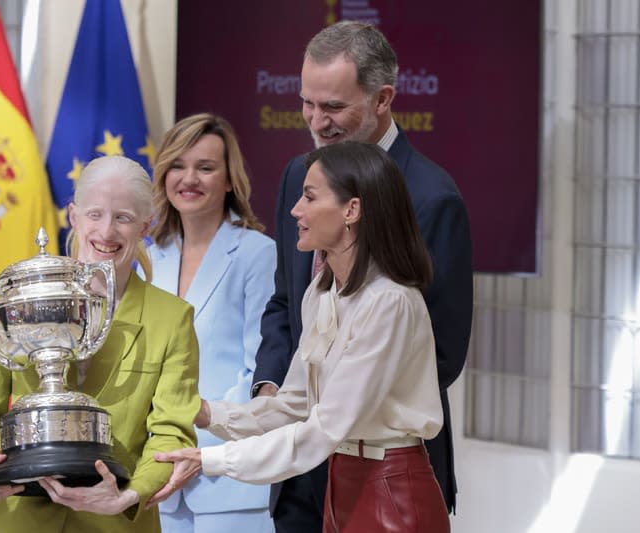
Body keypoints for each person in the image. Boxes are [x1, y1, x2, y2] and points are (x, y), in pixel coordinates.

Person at [154, 141, 451, 533]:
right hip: (340, 483)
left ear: (352, 209)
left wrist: (212, 460)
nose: (295, 209)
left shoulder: (390, 302)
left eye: (310, 197)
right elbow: (293, 404)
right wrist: (206, 412)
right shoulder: (321, 292)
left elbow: (324, 428)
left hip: (391, 491)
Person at [250, 20, 473, 531]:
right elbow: (285, 302)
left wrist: (336, 414)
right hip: (298, 472)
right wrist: (271, 394)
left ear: (383, 98)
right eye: (308, 102)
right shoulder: (296, 175)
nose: (316, 120)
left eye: (333, 107)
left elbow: (440, 353)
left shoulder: (433, 198)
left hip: (383, 474)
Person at [0, 155, 200, 533]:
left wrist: (130, 494)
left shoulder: (172, 319)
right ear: (73, 215)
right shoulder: (21, 299)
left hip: (114, 522)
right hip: (16, 521)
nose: (107, 232)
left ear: (145, 226)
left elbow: (171, 432)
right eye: (95, 214)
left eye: (123, 217)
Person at [146, 113, 276, 533]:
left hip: (230, 481)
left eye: (205, 167)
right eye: (178, 166)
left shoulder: (258, 254)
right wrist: (165, 451)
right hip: (159, 478)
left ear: (229, 180)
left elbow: (259, 372)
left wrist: (197, 449)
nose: (190, 178)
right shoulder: (150, 258)